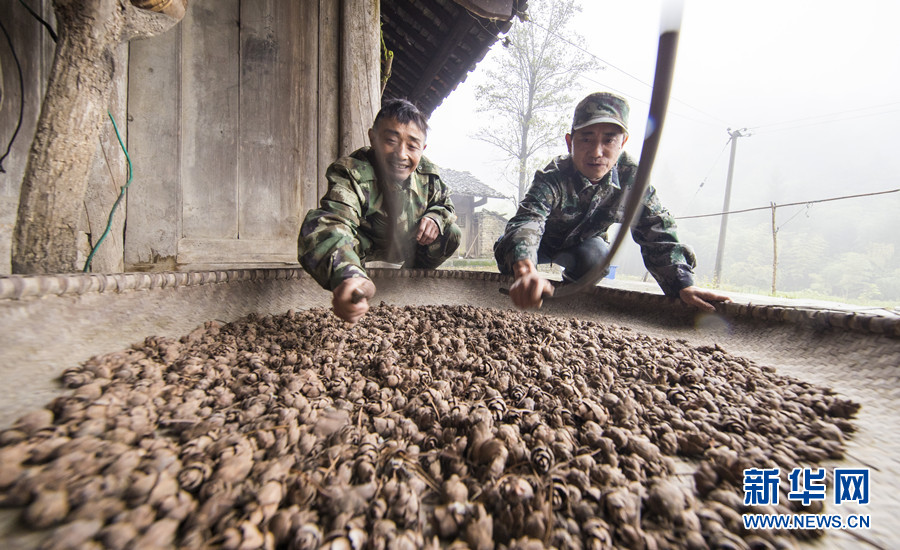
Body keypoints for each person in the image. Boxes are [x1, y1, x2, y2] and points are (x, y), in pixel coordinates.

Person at [494, 91, 730, 312]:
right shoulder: (553, 177)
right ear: (570, 142)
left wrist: (683, 284)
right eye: (586, 139)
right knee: (512, 255)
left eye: (608, 140)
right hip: (539, 246)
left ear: (622, 143)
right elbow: (528, 222)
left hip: (581, 247)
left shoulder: (632, 178)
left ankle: (565, 298)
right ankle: (527, 279)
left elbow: (656, 229)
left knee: (599, 256)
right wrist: (525, 270)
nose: (597, 152)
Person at [299, 98, 461, 324]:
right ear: (373, 138)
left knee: (451, 232)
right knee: (315, 224)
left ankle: (408, 283)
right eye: (391, 140)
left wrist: (435, 218)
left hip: (409, 244)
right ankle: (355, 282)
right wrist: (347, 275)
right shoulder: (352, 172)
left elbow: (445, 204)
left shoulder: (429, 176)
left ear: (422, 149)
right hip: (362, 246)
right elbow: (335, 221)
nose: (401, 154)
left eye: (412, 145)